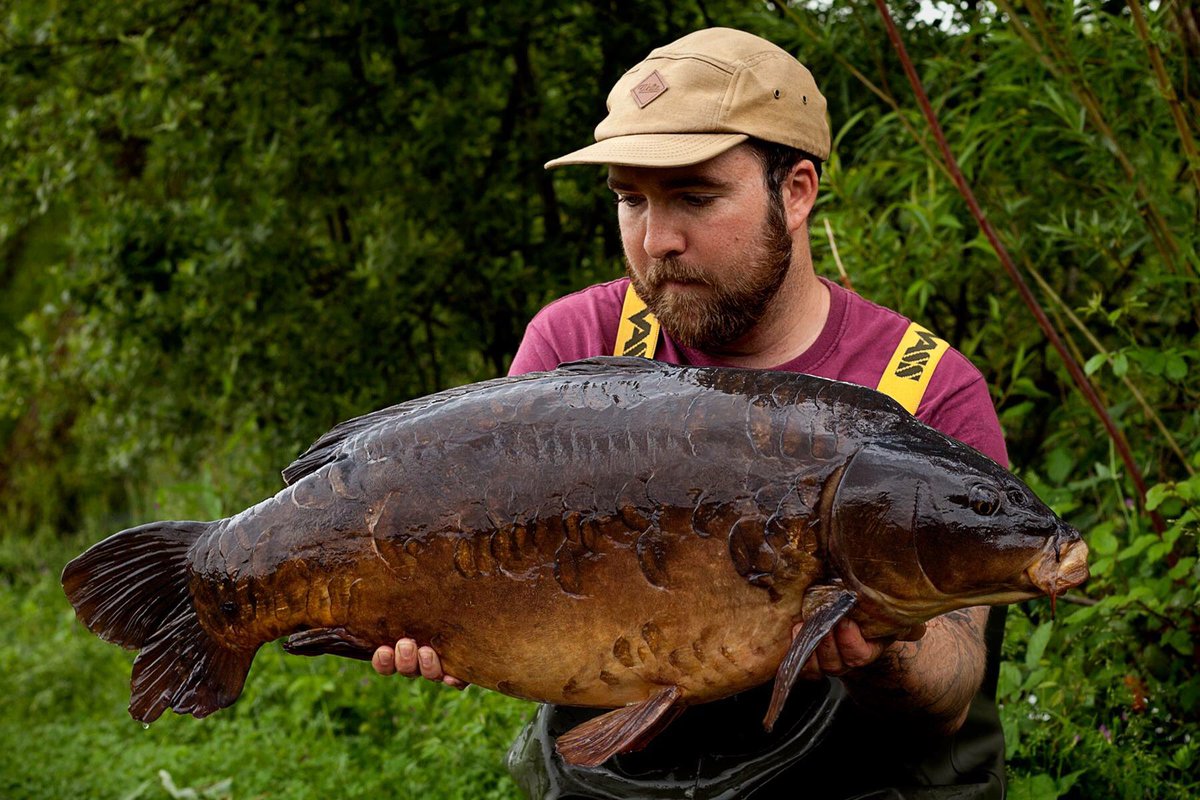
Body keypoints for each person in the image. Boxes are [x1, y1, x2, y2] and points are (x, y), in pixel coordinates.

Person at [372, 27, 1009, 799]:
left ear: (797, 191)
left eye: (695, 198)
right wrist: (445, 618)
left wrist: (883, 647)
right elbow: (490, 566)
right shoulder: (576, 341)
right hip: (623, 770)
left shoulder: (921, 388)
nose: (657, 241)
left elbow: (955, 687)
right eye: (629, 200)